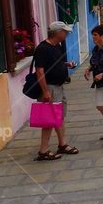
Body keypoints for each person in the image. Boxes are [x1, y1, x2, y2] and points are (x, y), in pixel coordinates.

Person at [32, 21, 79, 161]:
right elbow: (40, 71)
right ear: (57, 33)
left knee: (59, 117)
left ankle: (62, 144)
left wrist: (66, 64)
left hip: (58, 86)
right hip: (50, 87)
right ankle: (43, 151)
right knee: (49, 119)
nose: (66, 33)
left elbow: (53, 63)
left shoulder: (57, 46)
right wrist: (45, 92)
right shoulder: (42, 48)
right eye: (64, 31)